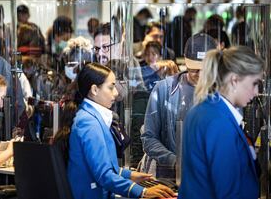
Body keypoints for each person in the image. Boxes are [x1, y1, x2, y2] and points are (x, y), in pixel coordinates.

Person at [67, 63, 175, 199]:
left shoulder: (91, 118)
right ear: (94, 90)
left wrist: (130, 175)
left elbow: (104, 167)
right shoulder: (89, 123)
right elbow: (104, 175)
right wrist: (142, 192)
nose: (116, 93)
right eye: (111, 87)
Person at [179, 46, 263, 199]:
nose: (256, 92)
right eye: (254, 83)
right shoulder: (219, 122)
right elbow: (227, 190)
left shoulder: (203, 109)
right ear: (235, 80)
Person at [140, 33, 218, 180]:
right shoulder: (164, 89)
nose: (200, 74)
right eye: (194, 69)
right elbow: (149, 138)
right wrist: (175, 162)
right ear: (186, 61)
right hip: (171, 176)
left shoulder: (224, 93)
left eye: (205, 69)